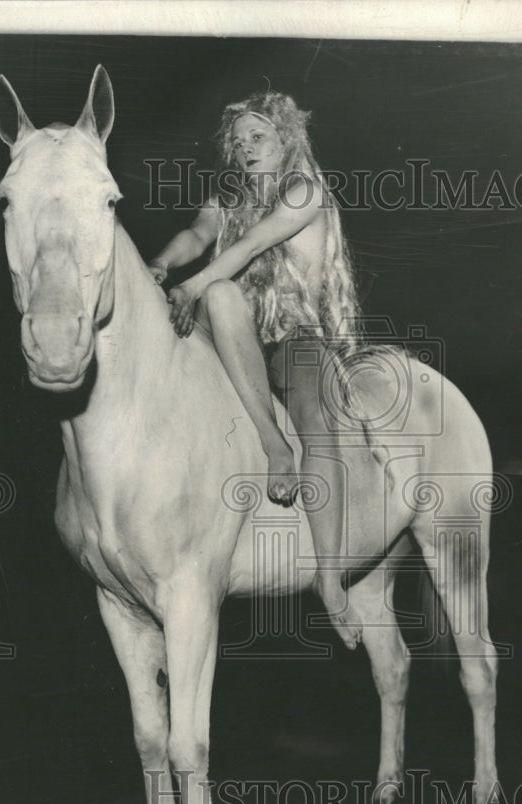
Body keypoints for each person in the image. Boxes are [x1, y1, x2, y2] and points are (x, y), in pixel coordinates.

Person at [147, 91, 363, 650]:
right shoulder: (229, 193)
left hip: (295, 337)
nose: (245, 150)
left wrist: (192, 286)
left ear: (287, 137)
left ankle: (331, 578)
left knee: (317, 421)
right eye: (238, 142)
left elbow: (250, 244)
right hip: (238, 338)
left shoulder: (304, 188)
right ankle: (271, 446)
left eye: (257, 138)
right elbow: (199, 235)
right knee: (220, 297)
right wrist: (164, 263)